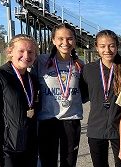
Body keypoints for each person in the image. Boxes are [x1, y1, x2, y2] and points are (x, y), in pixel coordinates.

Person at [81, 29, 121, 167]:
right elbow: (83, 95)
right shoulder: (88, 70)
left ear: (117, 46)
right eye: (102, 46)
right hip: (96, 128)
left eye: (111, 45)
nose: (107, 50)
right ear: (96, 47)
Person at [31, 23, 85, 167]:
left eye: (69, 38)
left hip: (71, 120)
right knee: (48, 162)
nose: (65, 43)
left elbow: (85, 92)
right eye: (60, 38)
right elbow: (30, 86)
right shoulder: (41, 61)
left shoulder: (80, 64)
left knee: (69, 163)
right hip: (47, 120)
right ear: (53, 40)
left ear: (74, 40)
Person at [0, 34, 38, 167]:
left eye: (31, 52)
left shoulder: (32, 80)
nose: (26, 55)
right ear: (10, 52)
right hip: (6, 151)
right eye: (21, 51)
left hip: (29, 149)